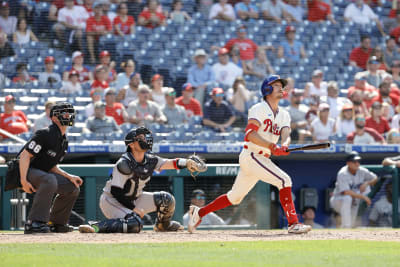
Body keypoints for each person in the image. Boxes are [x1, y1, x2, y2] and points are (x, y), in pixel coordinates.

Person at [188, 75, 312, 234]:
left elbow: (286, 134)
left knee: (234, 197)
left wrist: (285, 145)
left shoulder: (284, 114)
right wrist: (272, 146)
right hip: (252, 155)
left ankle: (199, 213)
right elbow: (250, 134)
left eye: (282, 86)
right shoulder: (258, 108)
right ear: (267, 89)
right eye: (276, 85)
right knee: (284, 180)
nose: (281, 88)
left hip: (261, 158)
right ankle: (293, 223)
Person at [78, 126, 207, 233]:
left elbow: (170, 163)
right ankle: (96, 226)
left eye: (145, 137)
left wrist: (187, 162)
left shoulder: (150, 159)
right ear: (132, 144)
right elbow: (117, 192)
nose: (145, 139)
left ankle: (163, 226)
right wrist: (133, 209)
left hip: (135, 198)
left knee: (166, 200)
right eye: (140, 138)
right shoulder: (124, 163)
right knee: (135, 224)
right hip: (112, 201)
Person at [19, 102, 83, 234]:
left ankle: (56, 224)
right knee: (49, 180)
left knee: (73, 187)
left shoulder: (64, 140)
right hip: (28, 171)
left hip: (44, 174)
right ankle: (34, 223)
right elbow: (25, 156)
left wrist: (69, 177)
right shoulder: (45, 133)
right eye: (64, 113)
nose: (68, 115)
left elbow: (51, 166)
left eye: (70, 113)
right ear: (54, 117)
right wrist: (23, 181)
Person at [330, 151, 378, 228]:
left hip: (354, 200)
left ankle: (347, 228)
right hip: (338, 200)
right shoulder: (343, 173)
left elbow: (375, 178)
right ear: (348, 163)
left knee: (365, 189)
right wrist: (364, 197)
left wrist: (366, 183)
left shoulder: (362, 170)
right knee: (347, 198)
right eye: (354, 161)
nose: (357, 163)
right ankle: (346, 226)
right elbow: (346, 192)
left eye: (358, 161)